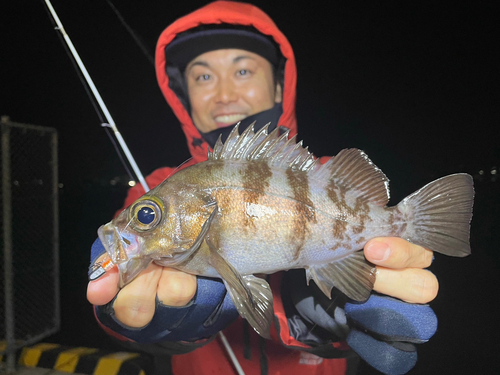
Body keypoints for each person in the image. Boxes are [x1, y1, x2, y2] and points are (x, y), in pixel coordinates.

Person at [87, 2, 439, 374]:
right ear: (184, 95)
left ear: (278, 86)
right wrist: (125, 318)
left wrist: (320, 323)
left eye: (242, 70)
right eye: (203, 77)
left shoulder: (324, 177)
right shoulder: (157, 185)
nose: (223, 94)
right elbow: (117, 309)